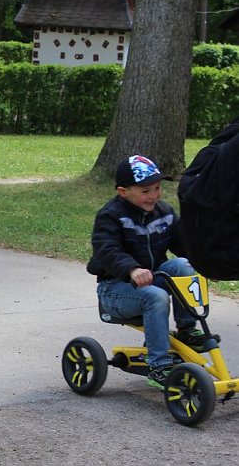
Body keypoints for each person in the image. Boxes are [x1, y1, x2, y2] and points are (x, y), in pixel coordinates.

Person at [87, 154, 214, 390]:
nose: (154, 195)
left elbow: (182, 244)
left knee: (184, 266)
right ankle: (158, 366)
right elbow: (108, 249)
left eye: (157, 188)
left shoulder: (163, 212)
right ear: (123, 192)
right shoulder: (110, 216)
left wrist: (207, 263)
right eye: (146, 191)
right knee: (156, 295)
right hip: (115, 289)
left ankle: (186, 329)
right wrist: (132, 269)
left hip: (151, 280)